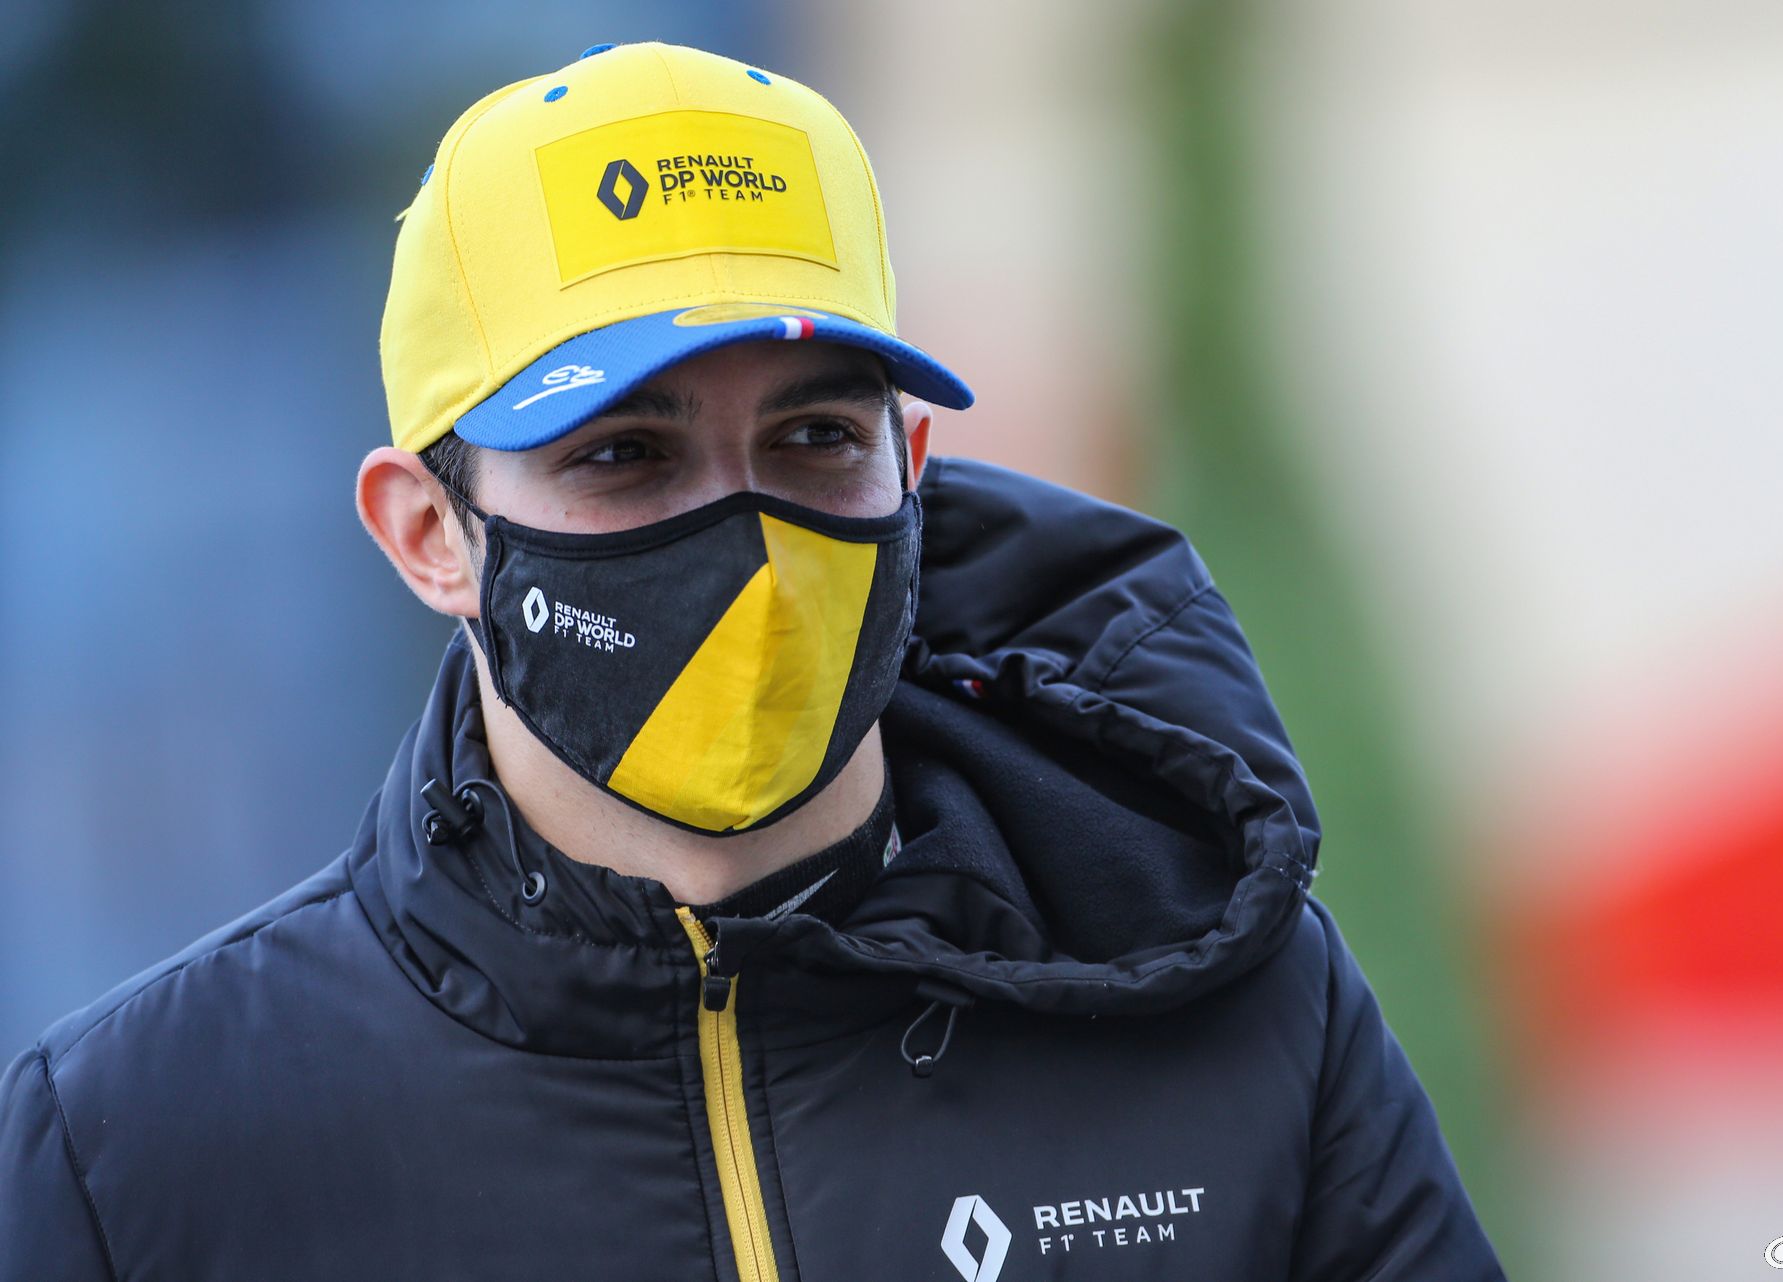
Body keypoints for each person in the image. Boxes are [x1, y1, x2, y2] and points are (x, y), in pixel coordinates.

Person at [0, 40, 1504, 1280]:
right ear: (428, 533)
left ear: (914, 468)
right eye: (625, 454)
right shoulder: (141, 1148)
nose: (752, 539)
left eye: (816, 436)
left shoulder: (1237, 1010)